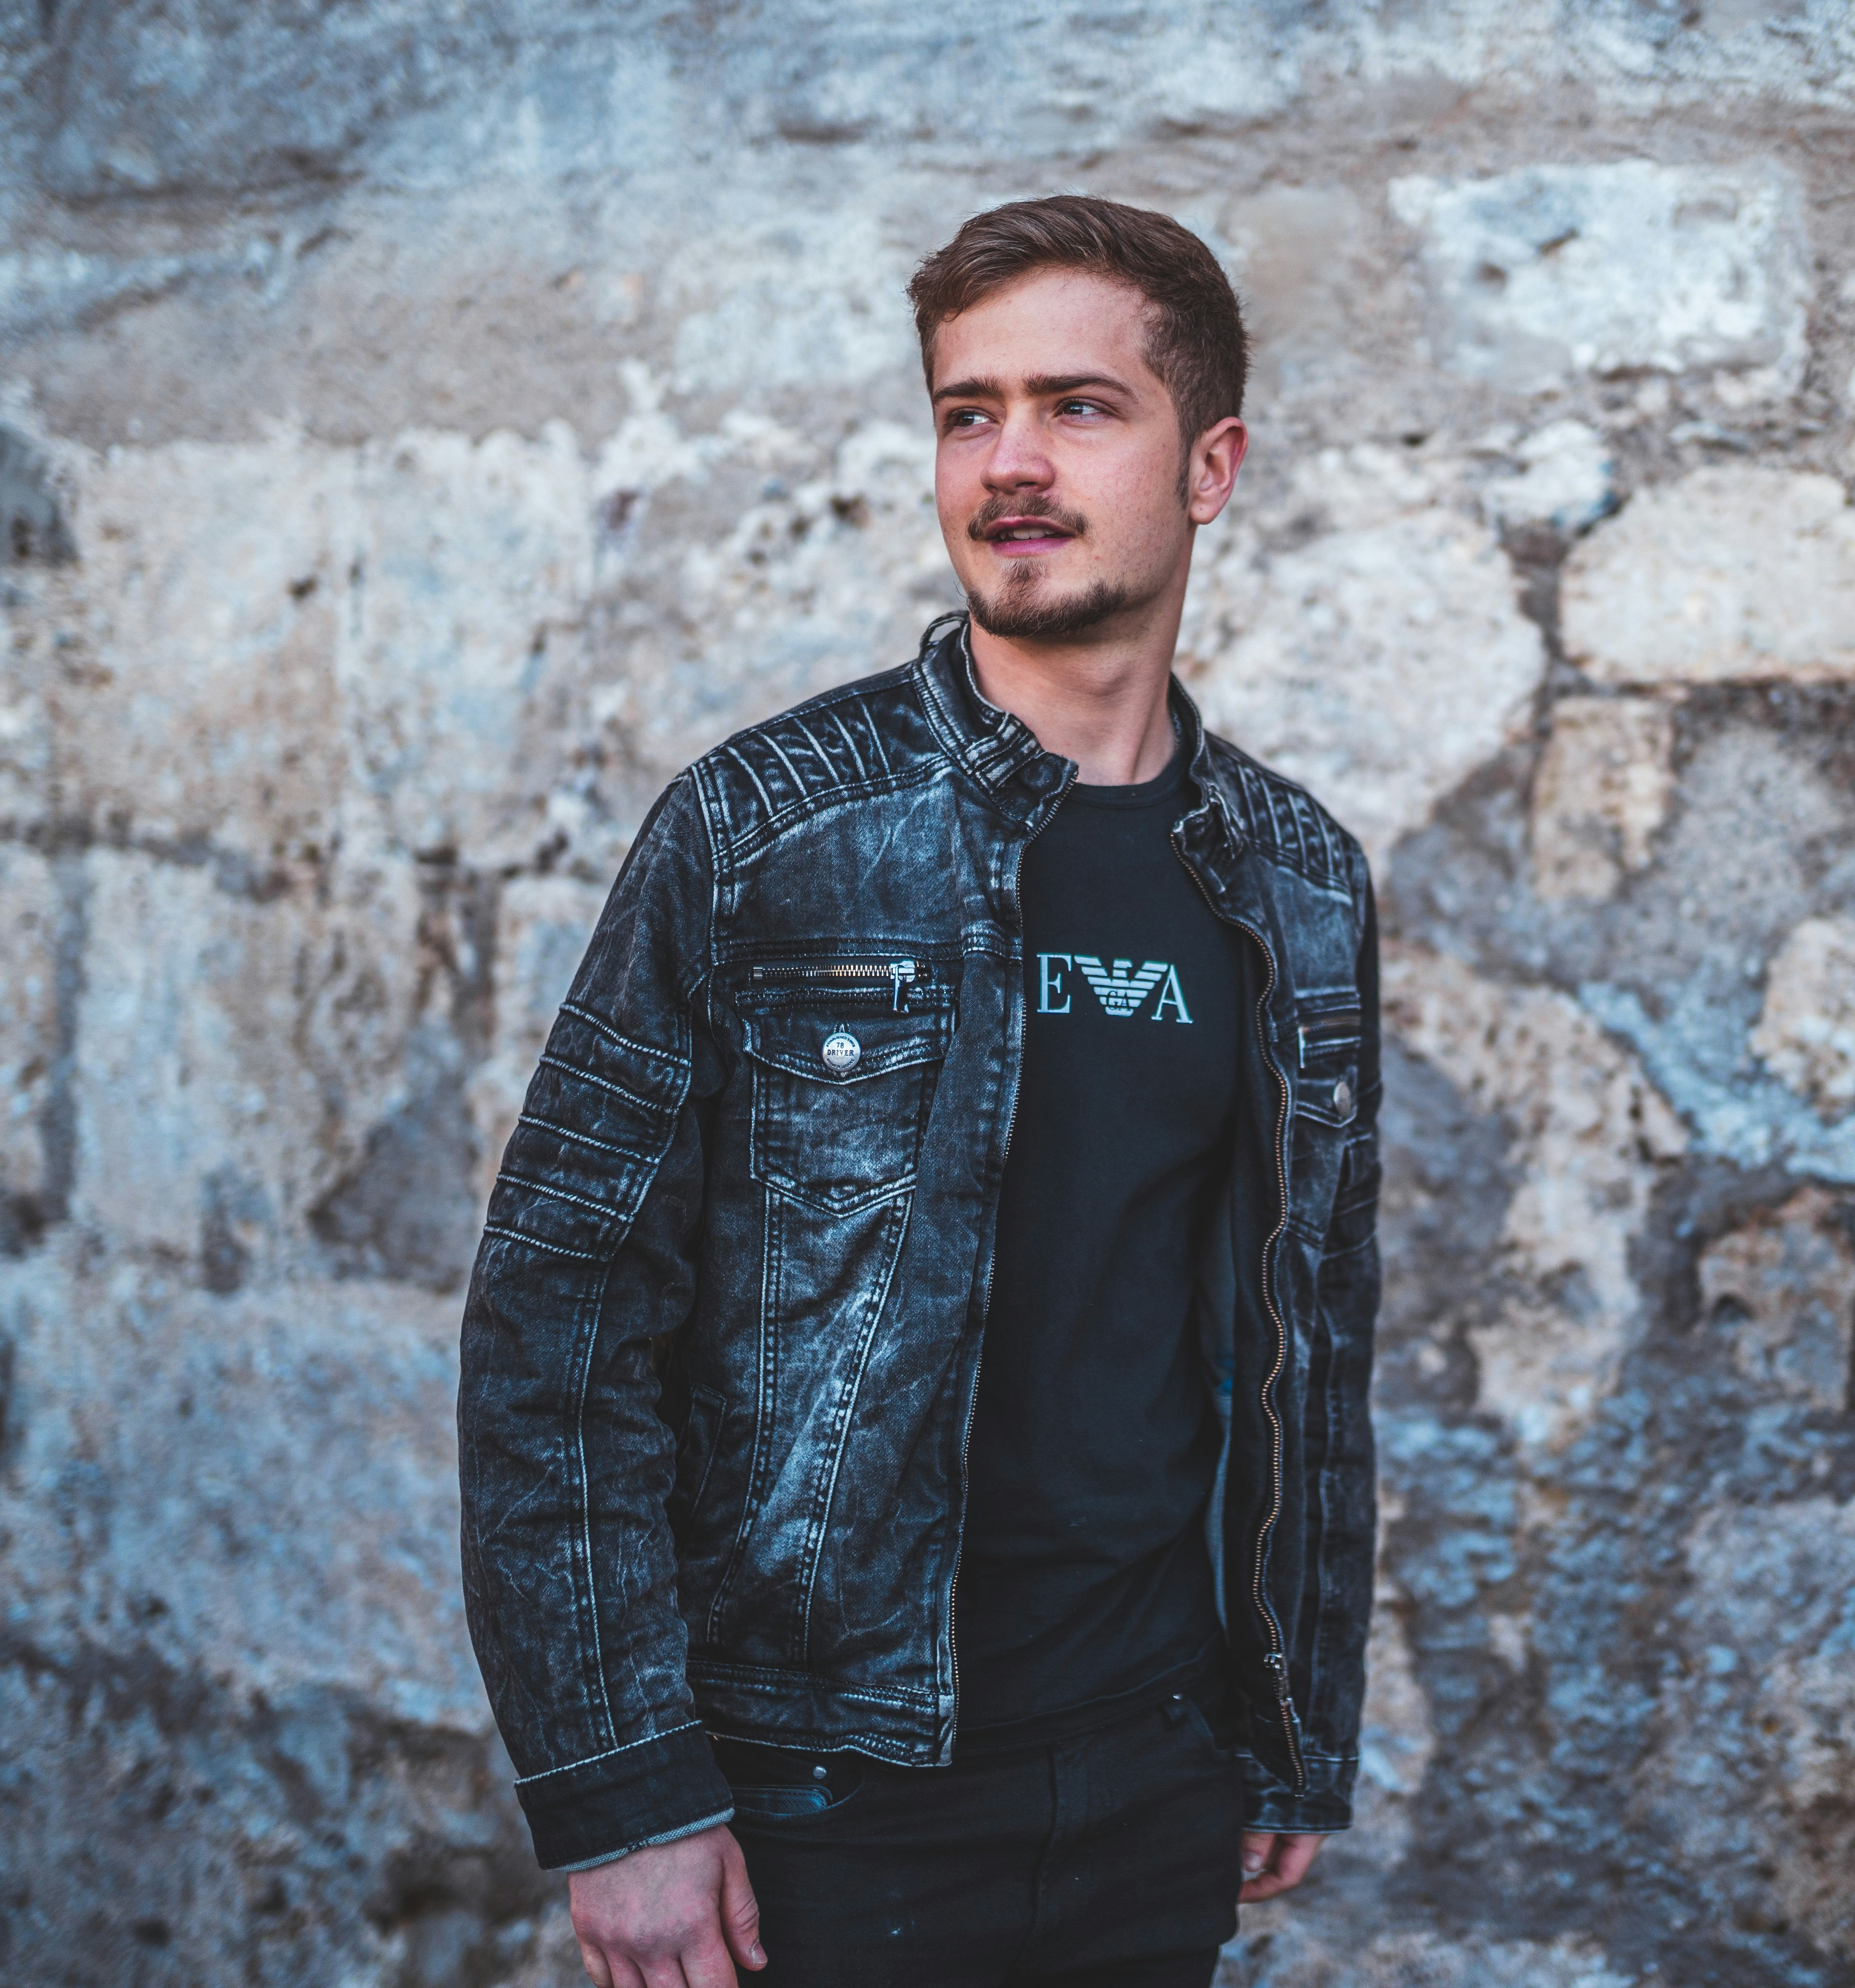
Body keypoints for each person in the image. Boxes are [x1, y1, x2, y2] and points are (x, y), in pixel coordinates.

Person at [459, 194, 1381, 1988]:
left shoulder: (1296, 879)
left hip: (1153, 1765)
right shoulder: (766, 831)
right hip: (817, 1788)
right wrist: (623, 1797)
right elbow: (556, 1327)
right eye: (970, 412)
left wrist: (1291, 1718)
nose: (1011, 464)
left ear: (1211, 465)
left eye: (1079, 408)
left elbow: (1308, 1336)